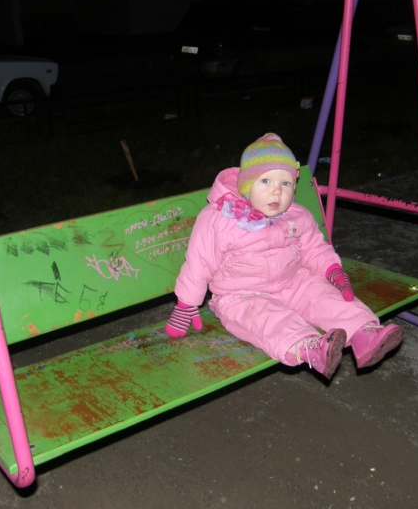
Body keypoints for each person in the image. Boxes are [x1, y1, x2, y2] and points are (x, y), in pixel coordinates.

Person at [165, 133, 403, 380]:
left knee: (324, 295)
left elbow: (314, 248)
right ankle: (311, 348)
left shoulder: (297, 215)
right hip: (241, 296)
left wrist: (332, 270)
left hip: (293, 282)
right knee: (267, 320)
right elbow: (199, 262)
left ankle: (365, 335)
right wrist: (186, 304)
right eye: (266, 181)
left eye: (286, 184)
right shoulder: (221, 218)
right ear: (247, 185)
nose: (276, 192)